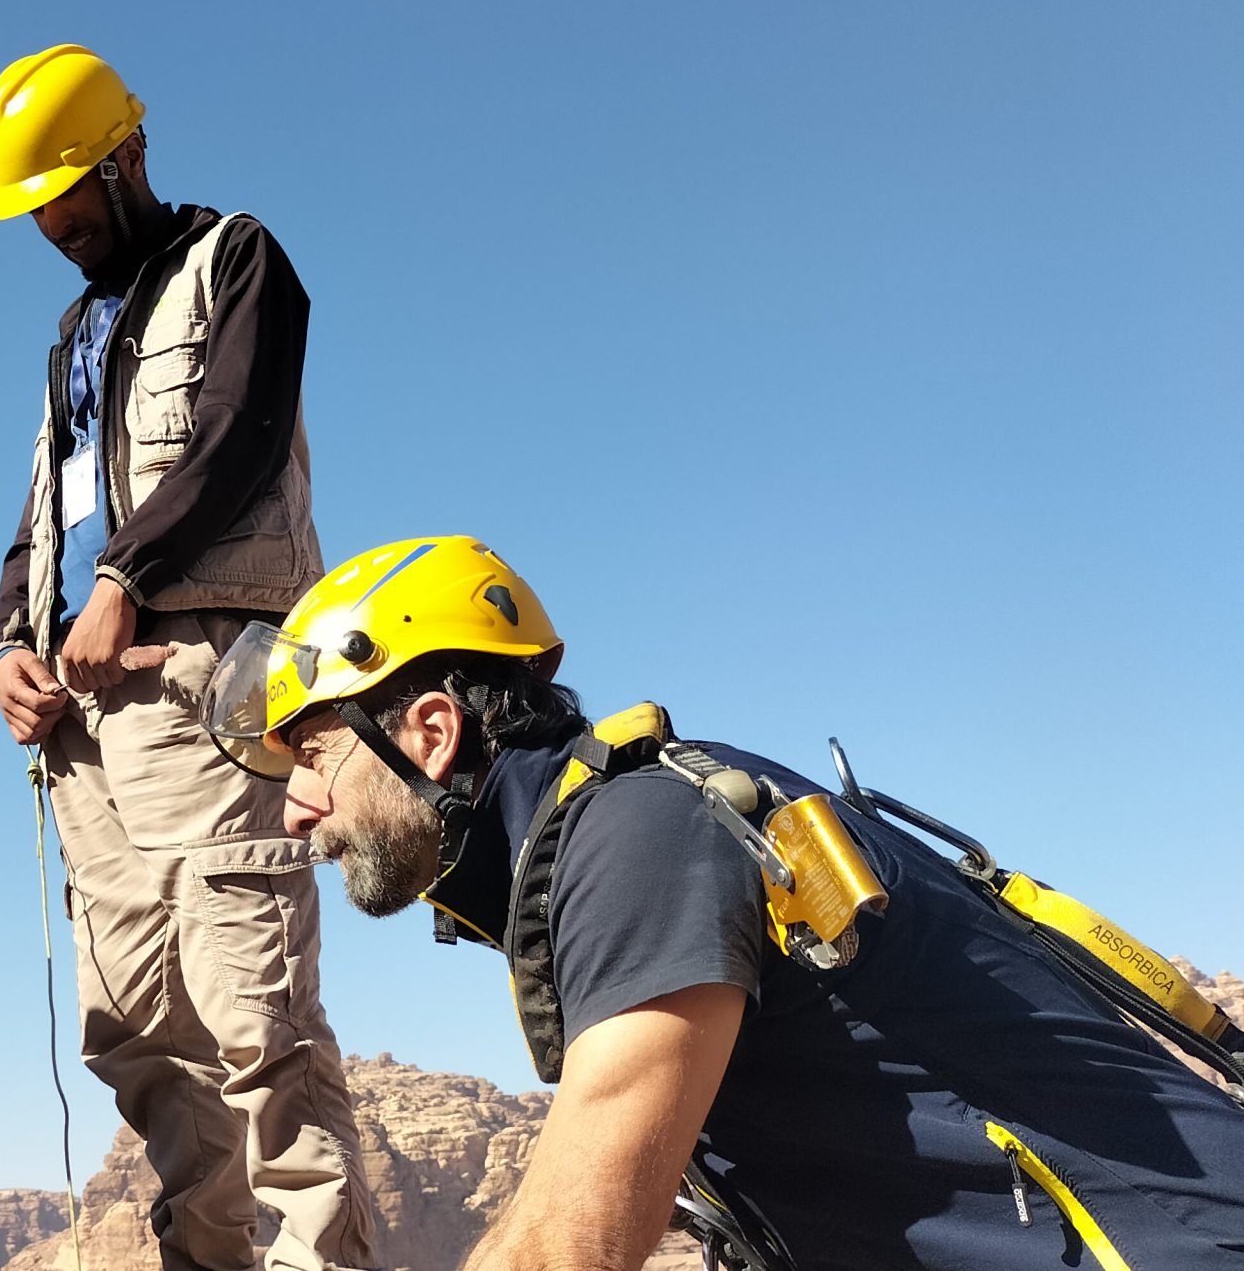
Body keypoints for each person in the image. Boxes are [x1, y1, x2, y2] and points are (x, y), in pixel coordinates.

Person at [204, 534, 1244, 1271]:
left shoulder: (636, 836)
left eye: (313, 755)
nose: (295, 808)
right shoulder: (625, 823)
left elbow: (572, 1246)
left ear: (429, 732)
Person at [0, 44, 378, 1271]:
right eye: (33, 205)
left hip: (202, 687)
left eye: (66, 192)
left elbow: (238, 438)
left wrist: (123, 582)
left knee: (252, 1019)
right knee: (137, 1031)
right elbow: (43, 510)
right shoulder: (72, 334)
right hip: (83, 730)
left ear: (127, 155)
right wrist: (6, 642)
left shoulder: (236, 259)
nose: (52, 222)